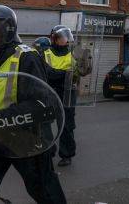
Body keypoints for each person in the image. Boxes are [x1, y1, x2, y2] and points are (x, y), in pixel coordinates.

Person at [0, 5, 66, 204]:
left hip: (27, 139)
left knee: (44, 191)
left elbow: (42, 105)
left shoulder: (26, 57)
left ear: (7, 29)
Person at [43, 25, 78, 167]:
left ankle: (67, 155)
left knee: (66, 125)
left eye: (66, 36)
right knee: (44, 124)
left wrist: (62, 75)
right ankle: (48, 151)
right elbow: (48, 74)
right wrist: (65, 74)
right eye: (63, 37)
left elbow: (78, 72)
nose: (66, 39)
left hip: (68, 93)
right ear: (54, 39)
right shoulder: (46, 54)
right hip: (50, 92)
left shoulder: (73, 54)